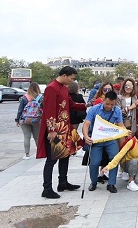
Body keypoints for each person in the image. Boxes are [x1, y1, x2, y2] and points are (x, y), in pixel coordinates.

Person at [37, 66, 86, 199]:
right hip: (56, 130)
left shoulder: (64, 88)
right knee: (52, 159)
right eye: (71, 78)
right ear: (64, 75)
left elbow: (70, 105)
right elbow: (49, 111)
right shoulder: (51, 88)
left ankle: (63, 182)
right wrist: (52, 131)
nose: (72, 81)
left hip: (64, 129)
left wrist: (86, 105)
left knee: (65, 155)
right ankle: (46, 188)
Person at [82, 91, 125, 193]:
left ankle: (111, 183)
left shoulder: (117, 110)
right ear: (103, 100)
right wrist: (86, 136)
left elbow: (120, 125)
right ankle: (94, 182)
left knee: (114, 159)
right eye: (107, 104)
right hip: (96, 139)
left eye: (112, 104)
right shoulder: (94, 109)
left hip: (110, 138)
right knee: (95, 162)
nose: (109, 106)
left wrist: (125, 131)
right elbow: (86, 124)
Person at [15, 82, 42, 159]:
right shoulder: (40, 97)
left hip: (25, 119)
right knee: (37, 137)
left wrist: (17, 120)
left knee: (27, 137)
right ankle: (39, 153)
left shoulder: (24, 97)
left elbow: (20, 110)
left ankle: (27, 154)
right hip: (36, 120)